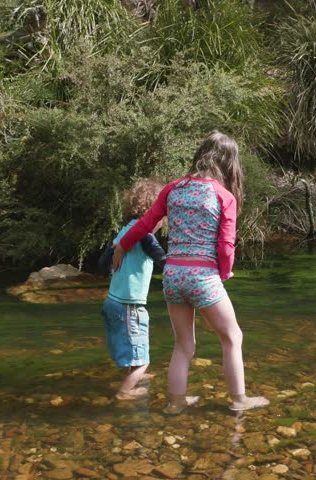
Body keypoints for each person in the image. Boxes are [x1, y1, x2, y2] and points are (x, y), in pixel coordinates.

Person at [112, 131, 269, 414]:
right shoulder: (224, 196)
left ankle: (176, 403)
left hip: (173, 275)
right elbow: (226, 244)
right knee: (232, 337)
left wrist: (122, 244)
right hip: (203, 277)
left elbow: (146, 223)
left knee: (183, 346)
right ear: (228, 163)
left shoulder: (173, 188)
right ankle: (239, 400)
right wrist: (225, 272)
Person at [98, 180, 167, 400]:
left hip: (112, 301)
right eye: (162, 216)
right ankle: (124, 391)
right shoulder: (145, 236)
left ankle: (134, 374)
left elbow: (102, 263)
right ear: (153, 213)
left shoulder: (124, 232)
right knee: (143, 358)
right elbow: (164, 262)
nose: (162, 222)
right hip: (129, 305)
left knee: (131, 347)